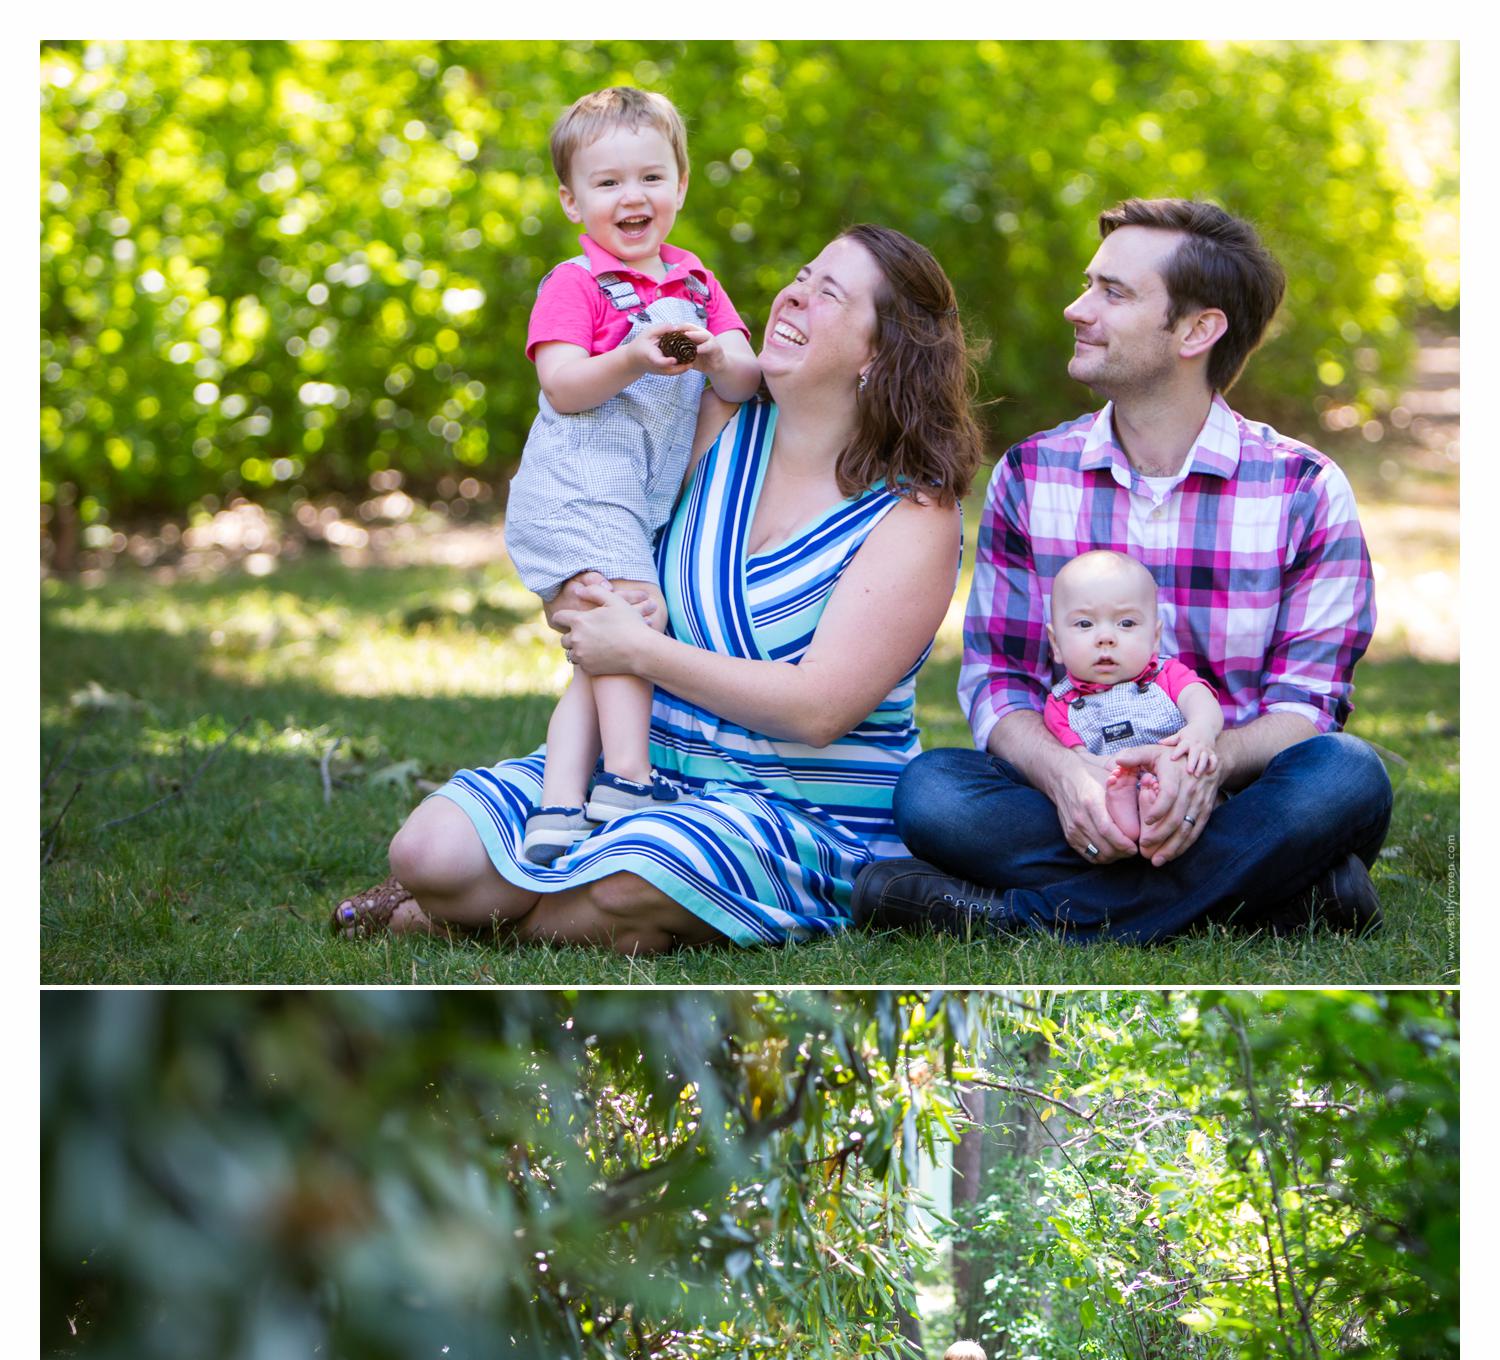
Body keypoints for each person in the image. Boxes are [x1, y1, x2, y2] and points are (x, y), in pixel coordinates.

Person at [332, 225, 983, 952]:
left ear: (880, 351)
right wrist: (576, 584)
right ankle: (486, 893)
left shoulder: (913, 514)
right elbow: (593, 492)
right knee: (426, 852)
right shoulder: (716, 422)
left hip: (796, 807)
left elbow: (817, 710)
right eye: (801, 273)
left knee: (635, 878)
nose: (794, 293)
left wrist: (639, 652)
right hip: (638, 764)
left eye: (828, 293)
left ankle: (450, 917)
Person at [853, 197, 1393, 945]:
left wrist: (1204, 766)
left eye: (1113, 293)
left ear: (1198, 330)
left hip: (1240, 796)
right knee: (932, 792)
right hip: (1079, 798)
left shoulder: (1304, 487)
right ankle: (1279, 899)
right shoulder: (1032, 475)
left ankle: (1017, 919)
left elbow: (1308, 705)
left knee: (1346, 776)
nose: (1078, 309)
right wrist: (1063, 776)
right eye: (1088, 284)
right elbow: (998, 680)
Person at [502, 85, 760, 865]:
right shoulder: (573, 285)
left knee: (599, 648)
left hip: (626, 501)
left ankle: (555, 807)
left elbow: (745, 380)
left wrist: (717, 353)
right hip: (574, 491)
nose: (632, 197)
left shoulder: (696, 283)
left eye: (651, 177)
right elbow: (564, 385)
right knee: (635, 619)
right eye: (608, 183)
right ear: (572, 201)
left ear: (681, 183)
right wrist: (630, 357)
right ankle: (628, 777)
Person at [1043, 549, 1223, 846]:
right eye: (1085, 624)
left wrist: (1201, 730)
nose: (1106, 637)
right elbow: (1076, 757)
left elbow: (1201, 700)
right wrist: (1105, 768)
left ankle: (1152, 815)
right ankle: (1132, 822)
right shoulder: (1061, 704)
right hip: (1109, 797)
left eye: (1126, 623)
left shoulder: (1165, 675)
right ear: (1056, 644)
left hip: (1181, 789)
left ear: (1154, 638)